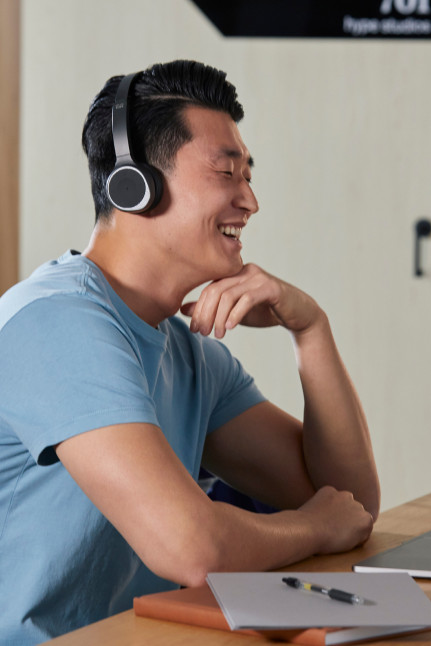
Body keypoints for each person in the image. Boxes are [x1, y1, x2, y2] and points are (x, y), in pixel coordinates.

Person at [0, 60, 380, 644]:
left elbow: (349, 502)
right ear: (135, 185)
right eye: (227, 173)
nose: (250, 201)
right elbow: (193, 550)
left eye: (249, 176)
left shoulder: (189, 350)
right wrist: (313, 529)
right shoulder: (57, 322)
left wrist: (311, 330)